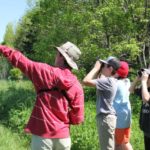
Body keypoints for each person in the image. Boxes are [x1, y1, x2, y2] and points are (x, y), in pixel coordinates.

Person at [0, 41, 84, 150]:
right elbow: (77, 118)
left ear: (61, 57)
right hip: (63, 138)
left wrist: (2, 48)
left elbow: (20, 60)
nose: (56, 56)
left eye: (57, 53)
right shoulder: (77, 86)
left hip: (42, 136)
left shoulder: (44, 72)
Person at [82, 56, 120, 150]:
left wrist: (95, 68)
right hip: (106, 117)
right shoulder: (110, 80)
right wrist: (99, 70)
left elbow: (85, 81)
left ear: (110, 68)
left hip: (106, 118)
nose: (102, 67)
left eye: (104, 66)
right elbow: (95, 79)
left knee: (107, 148)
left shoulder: (108, 81)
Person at [113, 61, 133, 150]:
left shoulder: (116, 84)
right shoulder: (127, 81)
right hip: (126, 118)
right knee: (125, 142)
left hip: (119, 120)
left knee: (118, 144)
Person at [129, 68, 150, 150]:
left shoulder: (144, 89)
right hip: (146, 128)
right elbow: (130, 90)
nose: (144, 77)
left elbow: (146, 99)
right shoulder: (144, 89)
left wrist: (144, 82)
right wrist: (137, 79)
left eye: (147, 76)